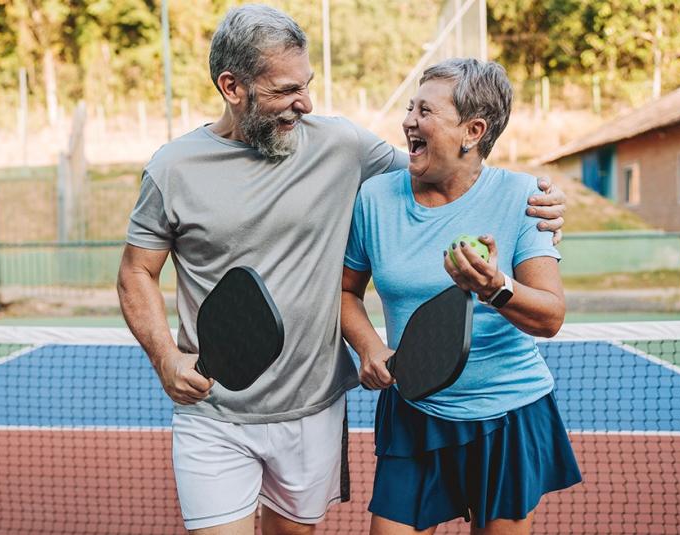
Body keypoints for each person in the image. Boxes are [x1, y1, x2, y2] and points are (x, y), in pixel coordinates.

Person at [117, 5, 567, 535]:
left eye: (306, 85)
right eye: (286, 90)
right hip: (214, 411)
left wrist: (543, 201)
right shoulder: (173, 168)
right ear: (232, 87)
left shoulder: (343, 145)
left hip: (313, 409)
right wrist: (166, 357)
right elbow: (135, 273)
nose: (304, 104)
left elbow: (453, 171)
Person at [340, 58, 582, 535]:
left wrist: (497, 289)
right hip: (415, 407)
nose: (409, 120)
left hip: (509, 412)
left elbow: (551, 317)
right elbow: (346, 292)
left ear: (473, 130)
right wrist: (368, 346)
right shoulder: (374, 198)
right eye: (410, 108)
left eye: (425, 111)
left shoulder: (523, 197)